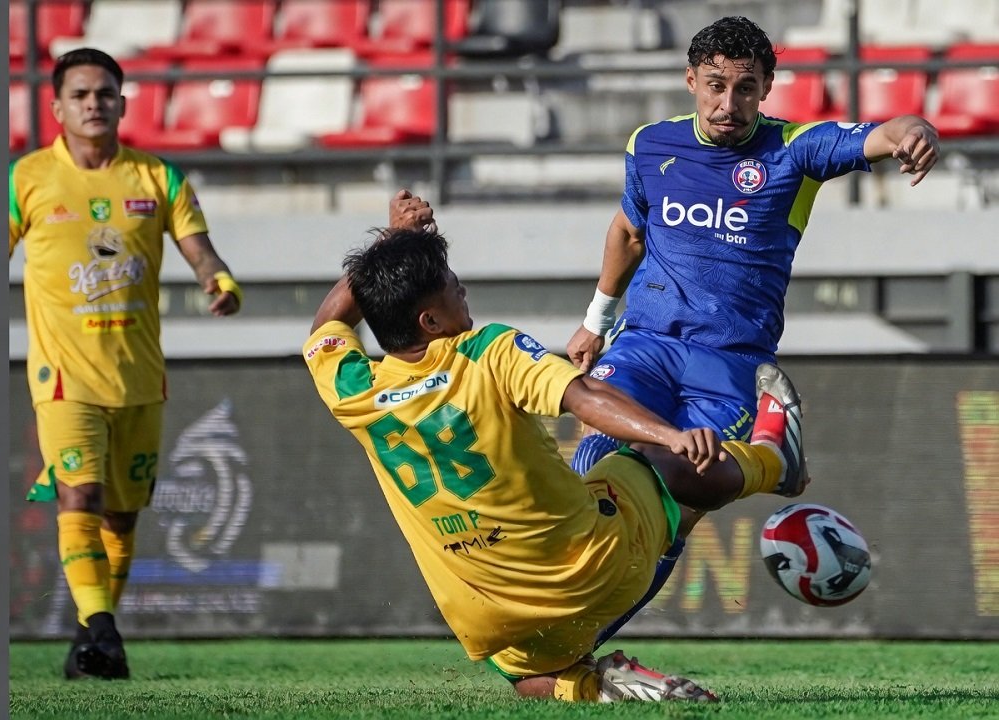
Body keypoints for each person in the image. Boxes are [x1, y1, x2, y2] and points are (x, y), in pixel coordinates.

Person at [303, 214, 809, 704]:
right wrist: (666, 434)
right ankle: (772, 460)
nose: (462, 290)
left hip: (492, 612)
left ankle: (592, 686)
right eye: (452, 285)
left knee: (524, 673)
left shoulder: (353, 388)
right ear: (429, 320)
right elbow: (585, 395)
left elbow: (327, 322)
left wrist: (394, 244)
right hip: (594, 569)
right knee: (651, 463)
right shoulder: (485, 352)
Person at [563, 15, 940, 616]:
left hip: (733, 364)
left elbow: (880, 132)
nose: (728, 103)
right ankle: (561, 633)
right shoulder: (649, 144)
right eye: (715, 85)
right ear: (691, 80)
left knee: (675, 510)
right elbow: (630, 232)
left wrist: (912, 130)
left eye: (745, 87)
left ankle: (586, 646)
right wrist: (595, 320)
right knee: (597, 461)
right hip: (647, 343)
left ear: (767, 87)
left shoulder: (794, 150)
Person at [8, 48, 245, 680]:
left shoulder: (157, 177)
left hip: (139, 377)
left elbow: (198, 248)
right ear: (56, 107)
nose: (93, 103)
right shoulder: (26, 178)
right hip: (63, 378)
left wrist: (216, 278)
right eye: (80, 94)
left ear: (122, 102)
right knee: (77, 494)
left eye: (105, 93)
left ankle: (92, 638)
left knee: (121, 514)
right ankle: (107, 631)